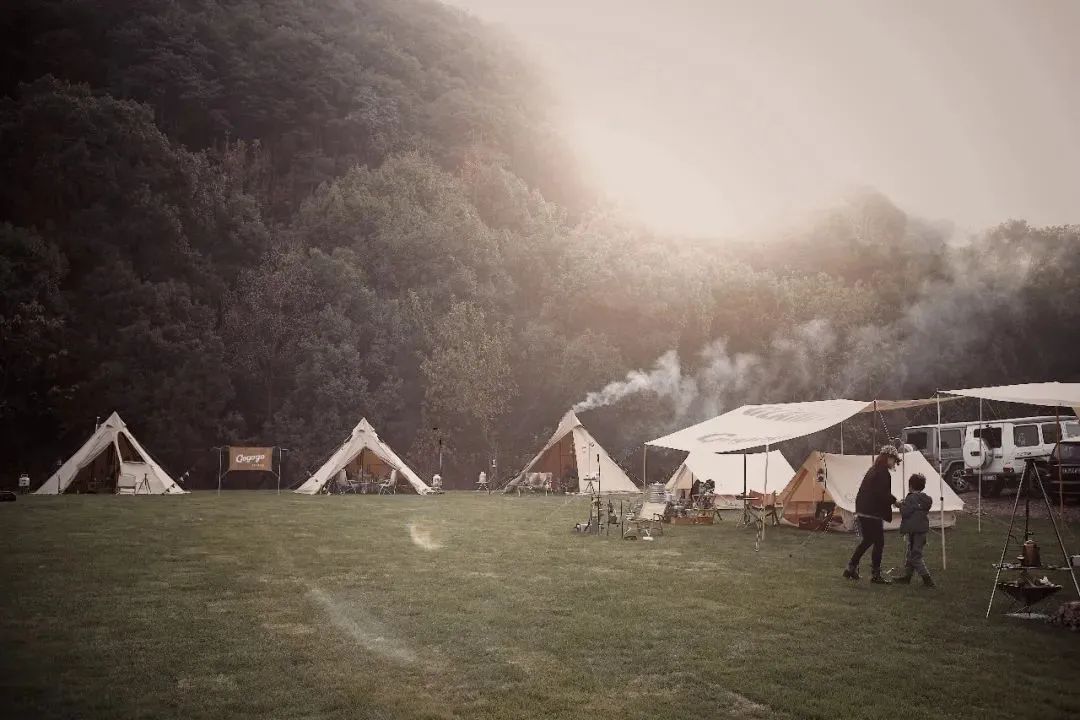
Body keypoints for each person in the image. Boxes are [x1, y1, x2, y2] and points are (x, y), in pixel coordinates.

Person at [843, 445, 900, 584]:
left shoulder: (872, 470)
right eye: (893, 460)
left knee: (868, 540)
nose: (894, 463)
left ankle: (850, 568)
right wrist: (895, 501)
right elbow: (881, 493)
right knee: (879, 542)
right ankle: (875, 574)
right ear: (888, 458)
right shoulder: (883, 472)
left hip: (863, 509)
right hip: (872, 512)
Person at [895, 473, 935, 588]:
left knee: (915, 556)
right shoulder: (925, 499)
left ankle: (927, 579)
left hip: (914, 531)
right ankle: (907, 577)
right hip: (921, 531)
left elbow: (905, 512)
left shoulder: (910, 498)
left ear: (910, 486)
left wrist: (899, 505)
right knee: (910, 553)